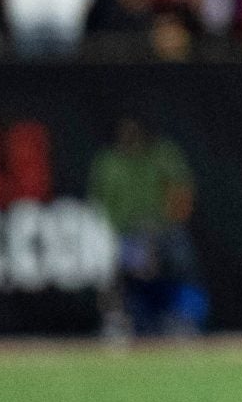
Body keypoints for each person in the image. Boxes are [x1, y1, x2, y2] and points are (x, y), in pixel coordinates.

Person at [88, 118, 206, 338]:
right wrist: (129, 240)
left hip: (164, 232)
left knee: (182, 259)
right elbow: (99, 208)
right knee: (106, 261)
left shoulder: (162, 154)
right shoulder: (108, 161)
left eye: (134, 129)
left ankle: (184, 319)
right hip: (124, 236)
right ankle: (117, 321)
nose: (129, 134)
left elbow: (182, 195)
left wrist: (157, 231)